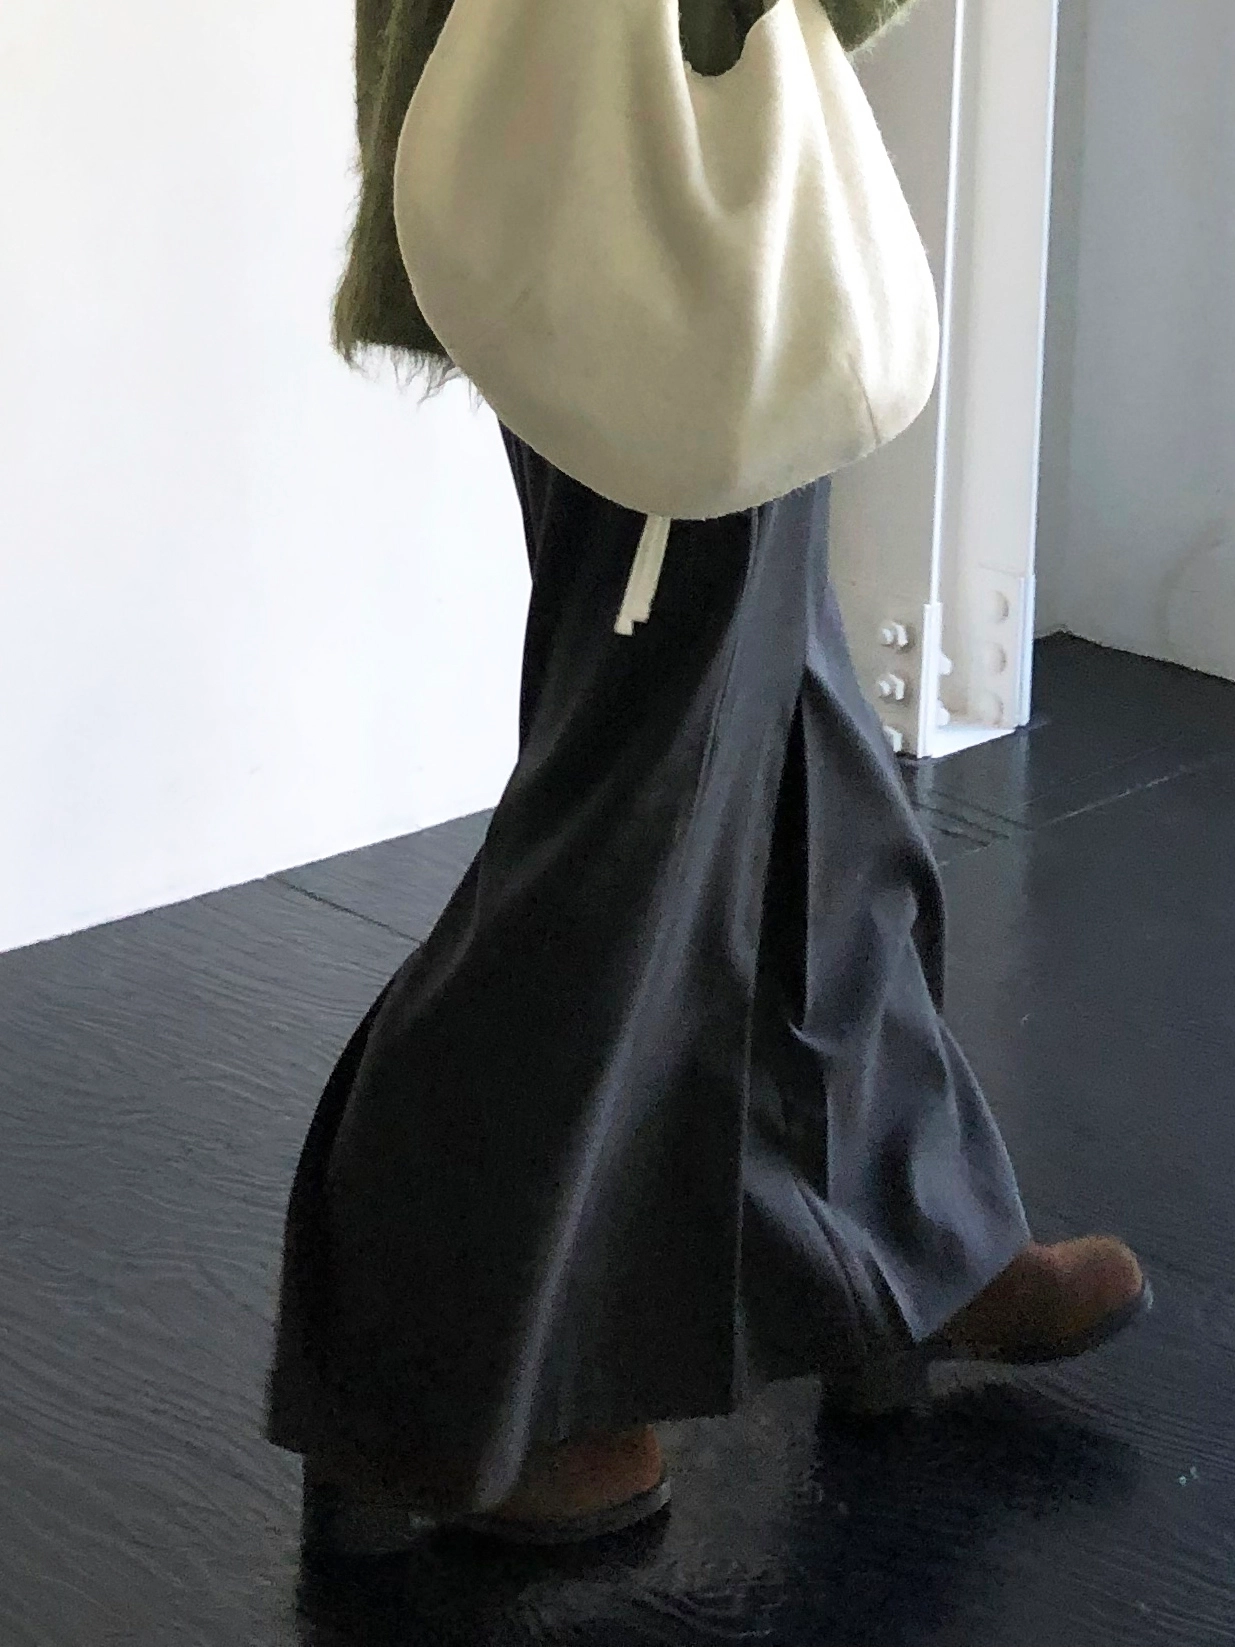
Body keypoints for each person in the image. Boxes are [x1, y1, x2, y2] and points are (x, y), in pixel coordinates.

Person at [261, 0, 1152, 1554]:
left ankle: (904, 1249)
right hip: (645, 208)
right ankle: (425, 1386)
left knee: (804, 767)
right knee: (634, 816)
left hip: (599, 177)